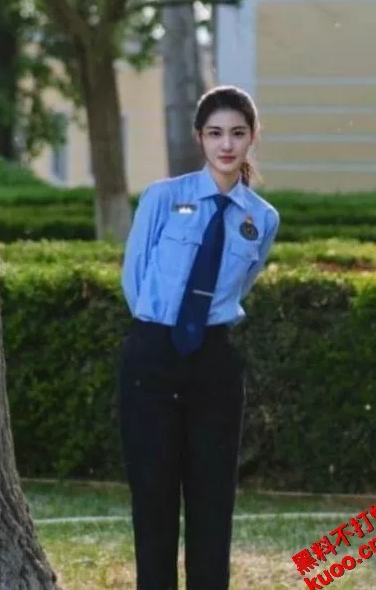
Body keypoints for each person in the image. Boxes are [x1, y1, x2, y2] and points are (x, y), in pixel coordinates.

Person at [119, 85, 280, 590]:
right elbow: (135, 276)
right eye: (215, 133)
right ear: (200, 138)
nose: (226, 145)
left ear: (252, 138)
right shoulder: (163, 197)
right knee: (154, 496)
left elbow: (240, 284)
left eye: (237, 133)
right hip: (152, 356)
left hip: (214, 362)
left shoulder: (262, 218)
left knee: (213, 501)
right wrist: (161, 333)